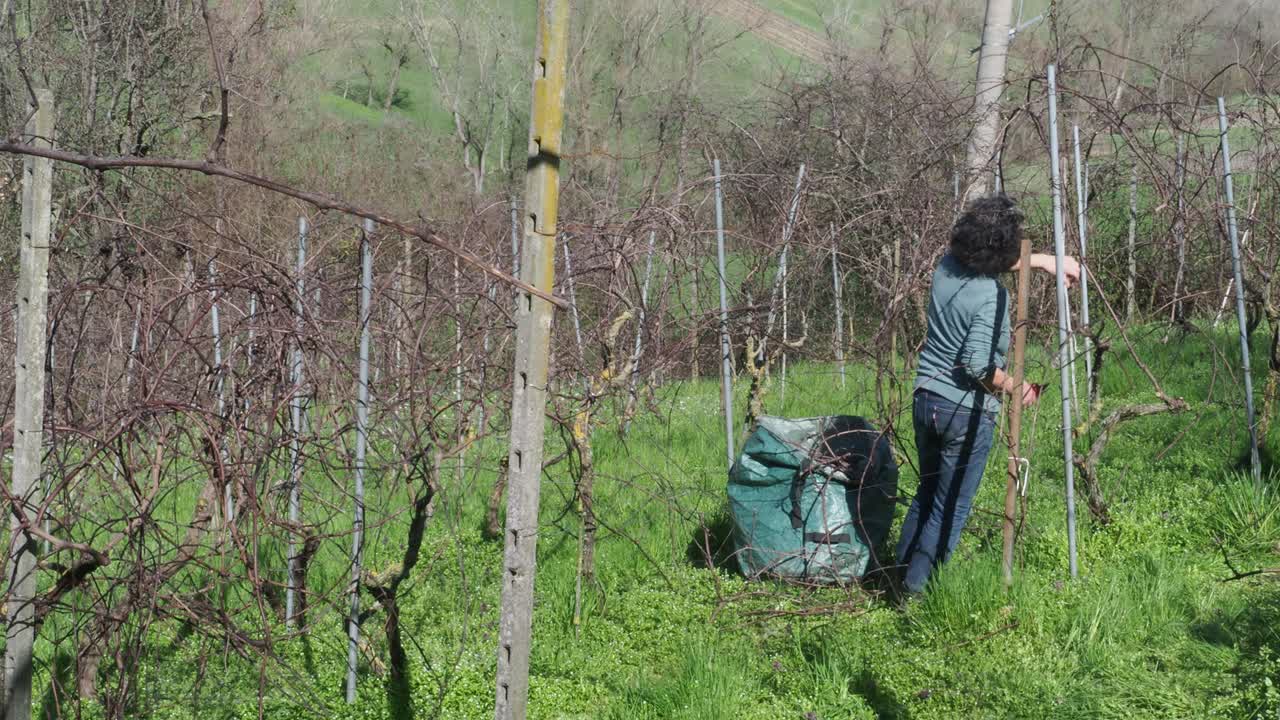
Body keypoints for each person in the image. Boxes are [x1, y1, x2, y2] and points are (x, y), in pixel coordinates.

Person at [895, 193, 1079, 597]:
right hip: (963, 410)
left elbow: (996, 261)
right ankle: (917, 592)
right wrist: (1018, 388)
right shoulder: (991, 296)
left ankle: (897, 574)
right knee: (952, 503)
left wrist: (1045, 261)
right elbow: (977, 365)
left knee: (928, 491)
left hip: (925, 399)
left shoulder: (946, 266)